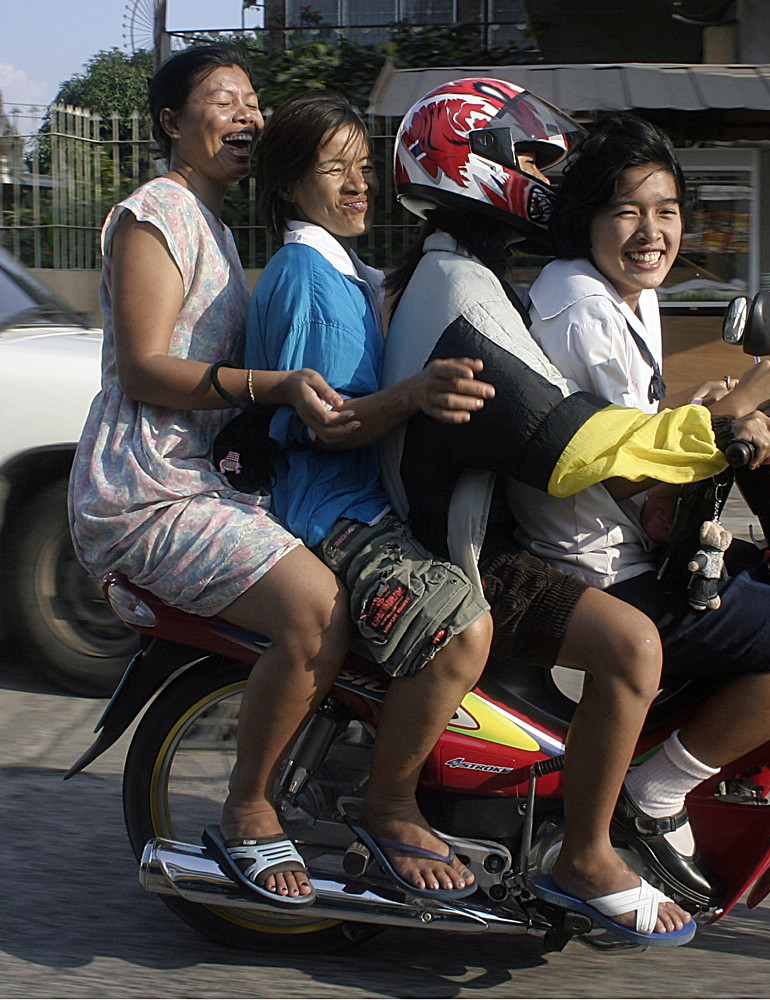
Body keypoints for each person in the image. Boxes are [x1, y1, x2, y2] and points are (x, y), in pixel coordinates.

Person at [378, 78, 770, 947]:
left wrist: (705, 423)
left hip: (483, 525)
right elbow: (569, 443)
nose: (545, 177)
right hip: (476, 557)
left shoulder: (470, 273)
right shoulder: (466, 296)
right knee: (634, 643)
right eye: (529, 158)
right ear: (472, 162)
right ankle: (584, 856)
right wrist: (716, 427)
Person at [518, 113, 770, 909]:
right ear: (590, 217)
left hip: (629, 543)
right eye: (628, 211)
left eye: (666, 211)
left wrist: (708, 410)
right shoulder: (583, 307)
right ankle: (657, 789)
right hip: (598, 564)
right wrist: (739, 408)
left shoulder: (621, 292)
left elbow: (638, 426)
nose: (652, 232)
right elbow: (635, 478)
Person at [69, 46, 354, 907]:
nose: (247, 115)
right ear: (169, 124)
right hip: (144, 486)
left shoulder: (217, 225)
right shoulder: (154, 215)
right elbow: (149, 369)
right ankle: (249, 809)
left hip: (196, 473)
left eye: (253, 101)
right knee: (317, 607)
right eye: (223, 100)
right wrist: (277, 388)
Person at [242, 90, 496, 899]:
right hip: (330, 514)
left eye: (363, 168)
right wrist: (418, 394)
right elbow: (325, 426)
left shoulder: (348, 273)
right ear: (290, 185)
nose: (358, 186)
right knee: (461, 631)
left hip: (368, 503)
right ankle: (389, 801)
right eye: (334, 170)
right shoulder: (304, 277)